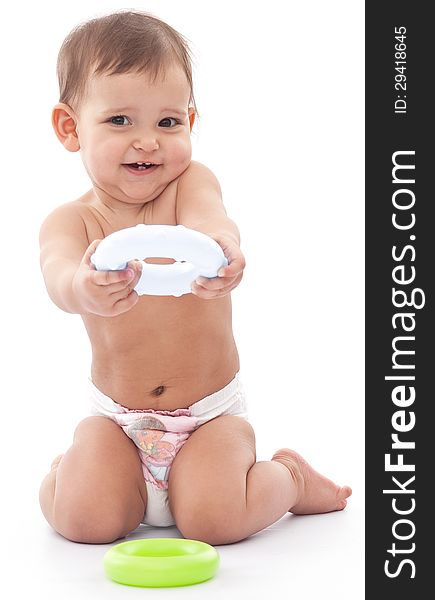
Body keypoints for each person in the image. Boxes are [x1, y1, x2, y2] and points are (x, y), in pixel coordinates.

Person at [39, 10, 352, 545]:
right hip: (119, 421)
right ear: (71, 127)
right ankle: (66, 471)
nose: (148, 142)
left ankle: (289, 477)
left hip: (207, 418)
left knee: (215, 522)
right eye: (120, 121)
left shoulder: (189, 185)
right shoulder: (73, 221)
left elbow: (212, 221)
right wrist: (82, 287)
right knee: (82, 521)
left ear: (190, 119)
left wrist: (223, 250)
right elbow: (58, 274)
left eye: (168, 122)